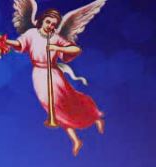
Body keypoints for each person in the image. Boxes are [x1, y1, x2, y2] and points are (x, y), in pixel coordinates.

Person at [7, 6, 105, 157]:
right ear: (42, 20)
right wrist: (6, 42)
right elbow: (20, 44)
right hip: (39, 75)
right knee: (53, 108)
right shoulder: (32, 33)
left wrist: (56, 47)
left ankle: (93, 117)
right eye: (48, 22)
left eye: (53, 24)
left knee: (66, 102)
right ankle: (76, 140)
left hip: (53, 74)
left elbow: (76, 50)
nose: (50, 26)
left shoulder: (55, 38)